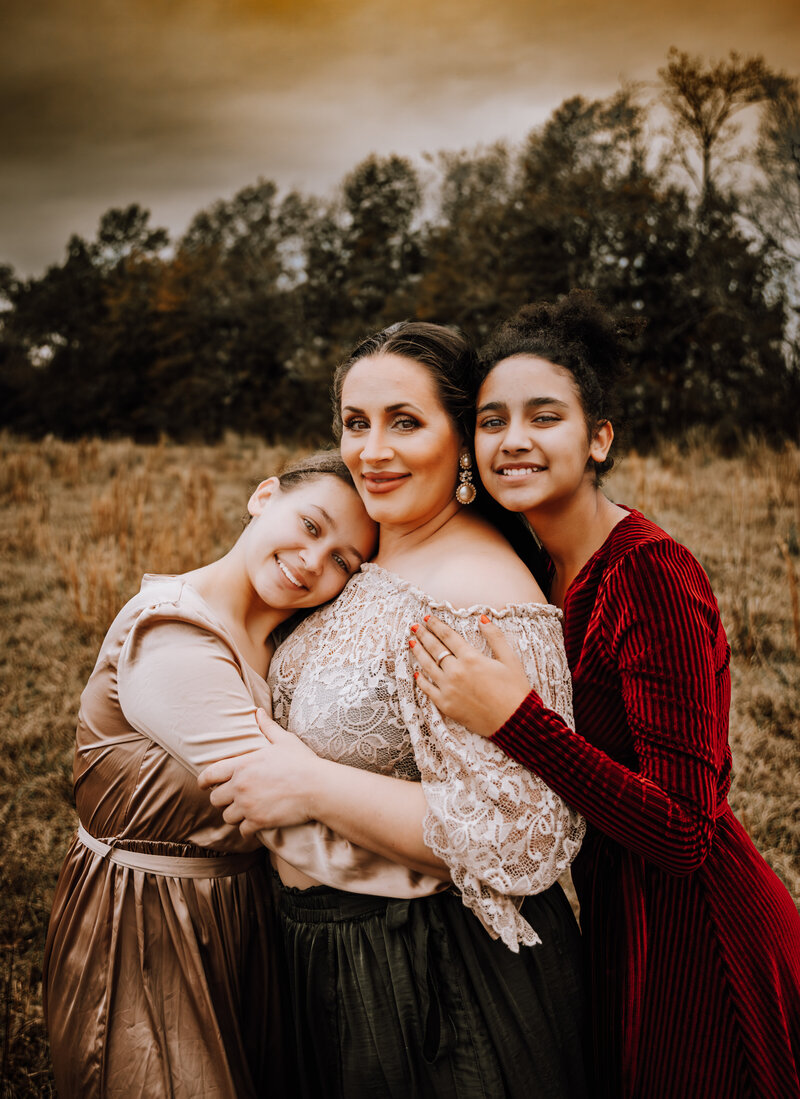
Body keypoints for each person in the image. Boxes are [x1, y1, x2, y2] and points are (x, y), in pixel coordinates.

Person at [407, 291, 800, 1099]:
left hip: (703, 936)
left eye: (544, 416)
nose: (513, 440)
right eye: (491, 421)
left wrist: (519, 722)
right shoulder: (531, 566)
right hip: (622, 924)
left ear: (599, 439)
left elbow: (687, 829)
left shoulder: (647, 574)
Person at [200, 322, 589, 1098]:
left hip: (442, 987)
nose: (370, 450)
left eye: (404, 423)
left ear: (464, 438)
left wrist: (308, 786)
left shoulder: (480, 598)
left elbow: (526, 832)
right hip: (329, 958)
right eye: (355, 422)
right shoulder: (373, 550)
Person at [43, 451, 417, 1099]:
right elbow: (282, 807)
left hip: (243, 912)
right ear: (263, 495)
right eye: (310, 524)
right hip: (148, 917)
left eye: (342, 560)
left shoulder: (285, 646)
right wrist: (441, 857)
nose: (313, 558)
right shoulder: (172, 634)